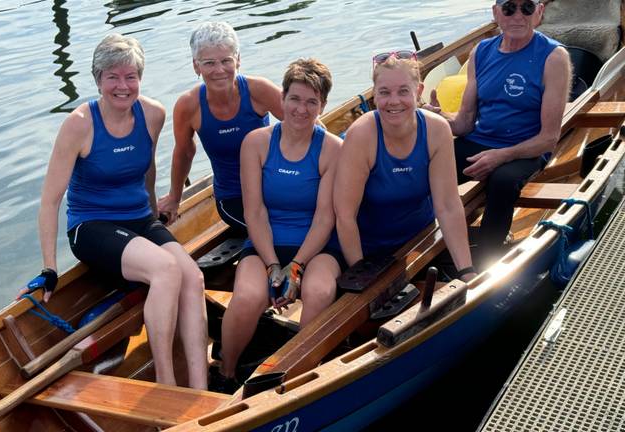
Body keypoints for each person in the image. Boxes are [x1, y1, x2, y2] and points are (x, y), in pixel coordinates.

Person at [19, 34, 208, 389]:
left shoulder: (153, 114)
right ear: (98, 80)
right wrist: (49, 267)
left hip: (138, 218)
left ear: (140, 78)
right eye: (113, 77)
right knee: (167, 271)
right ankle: (167, 387)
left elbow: (147, 170)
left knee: (193, 277)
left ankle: (201, 387)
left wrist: (156, 214)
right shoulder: (79, 124)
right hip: (91, 225)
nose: (123, 86)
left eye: (130, 76)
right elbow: (50, 201)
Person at [214, 58, 343, 392]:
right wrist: (274, 265)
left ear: (322, 106)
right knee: (247, 297)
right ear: (282, 99)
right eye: (295, 99)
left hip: (316, 248)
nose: (301, 109)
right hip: (264, 244)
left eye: (311, 102)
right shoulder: (255, 143)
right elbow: (254, 212)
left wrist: (296, 267)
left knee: (319, 291)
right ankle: (226, 373)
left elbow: (325, 217)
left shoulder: (332, 149)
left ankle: (296, 374)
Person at [426, 0, 571, 264]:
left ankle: (485, 259)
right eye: (509, 8)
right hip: (481, 139)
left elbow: (549, 137)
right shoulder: (480, 52)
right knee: (429, 165)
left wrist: (501, 156)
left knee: (502, 181)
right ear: (496, 13)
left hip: (528, 147)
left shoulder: (554, 57)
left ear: (539, 13)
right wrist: (437, 118)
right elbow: (465, 123)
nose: (518, 15)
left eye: (527, 8)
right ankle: (413, 243)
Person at [334, 51, 476, 282]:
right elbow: (345, 216)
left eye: (403, 91)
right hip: (366, 251)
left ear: (418, 91)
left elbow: (448, 206)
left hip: (420, 241)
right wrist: (361, 276)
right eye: (384, 92)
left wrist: (466, 271)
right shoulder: (361, 135)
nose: (394, 101)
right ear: (374, 96)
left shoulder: (437, 130)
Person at [158, 21, 284, 236]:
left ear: (238, 60)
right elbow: (184, 152)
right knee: (280, 234)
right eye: (209, 63)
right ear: (196, 66)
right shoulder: (188, 106)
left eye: (226, 60)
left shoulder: (259, 90)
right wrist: (174, 197)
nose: (219, 70)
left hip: (276, 186)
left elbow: (307, 124)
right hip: (233, 197)